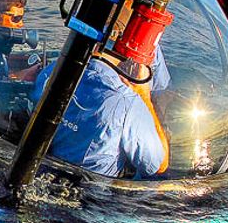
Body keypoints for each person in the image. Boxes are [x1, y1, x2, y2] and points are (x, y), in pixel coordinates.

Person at [30, 49, 171, 179]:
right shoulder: (128, 102)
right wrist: (144, 96)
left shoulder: (52, 72)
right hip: (95, 192)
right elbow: (157, 165)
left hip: (43, 173)